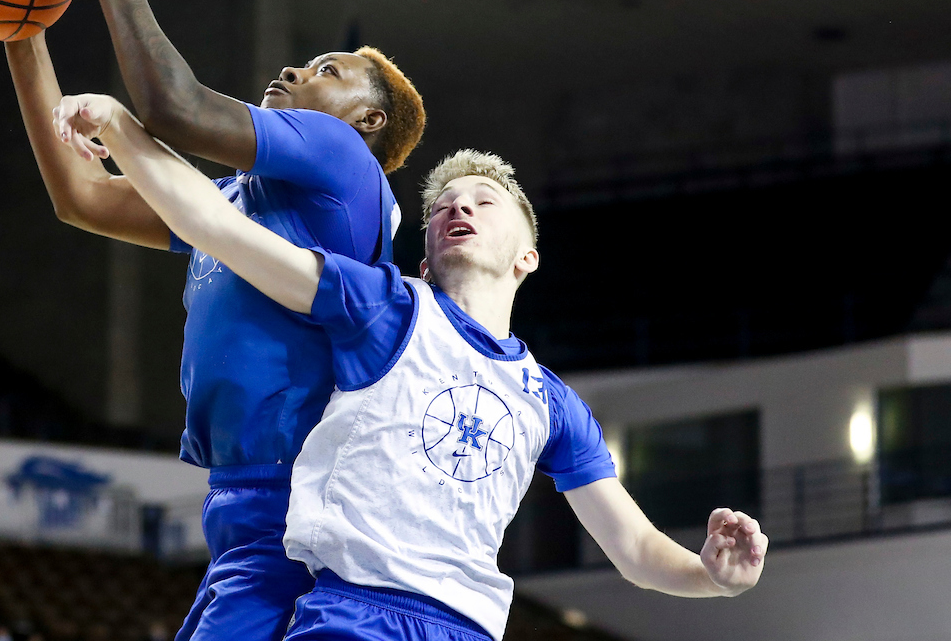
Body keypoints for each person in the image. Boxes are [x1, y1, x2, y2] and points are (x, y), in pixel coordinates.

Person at [52, 97, 770, 641]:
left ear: (529, 257)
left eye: (485, 202)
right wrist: (120, 127)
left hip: (467, 626)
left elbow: (637, 549)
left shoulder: (550, 404)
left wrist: (712, 578)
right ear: (423, 256)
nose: (460, 206)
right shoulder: (385, 308)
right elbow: (219, 227)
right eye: (444, 206)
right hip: (352, 611)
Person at [5, 0, 426, 641]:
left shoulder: (343, 160)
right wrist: (19, 30)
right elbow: (81, 197)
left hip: (302, 500)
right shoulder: (228, 202)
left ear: (369, 121)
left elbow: (176, 110)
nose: (297, 68)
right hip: (241, 499)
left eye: (328, 70)